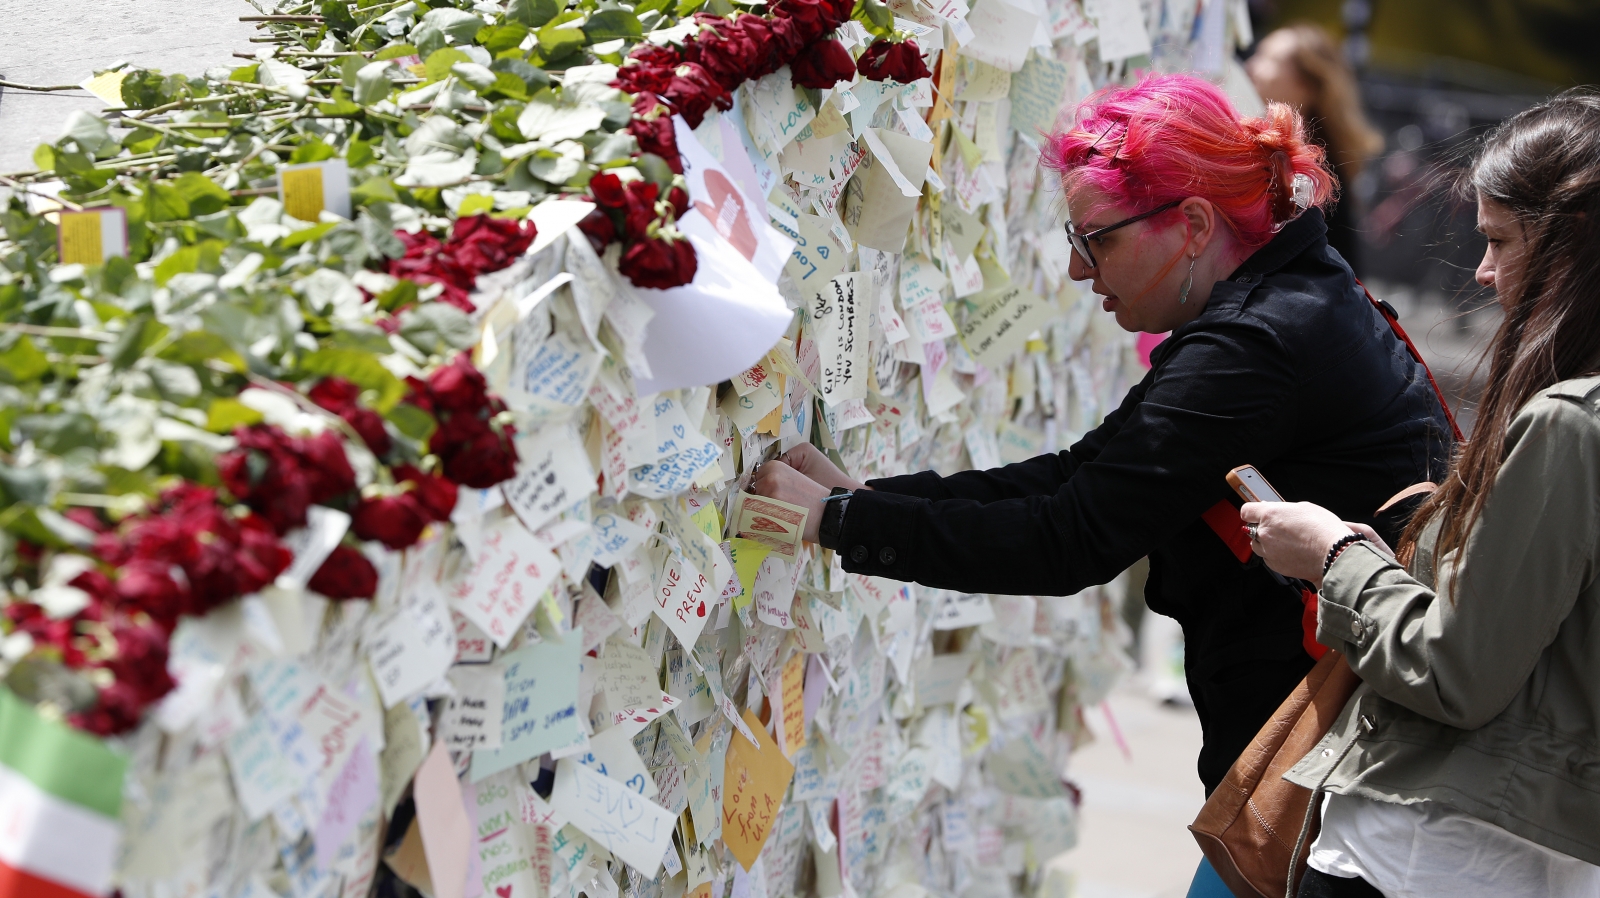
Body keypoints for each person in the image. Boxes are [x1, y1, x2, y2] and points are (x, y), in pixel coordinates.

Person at [749, 74, 1455, 895]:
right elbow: (1085, 472)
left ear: (1192, 224)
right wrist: (864, 504)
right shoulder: (1289, 293)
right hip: (1336, 761)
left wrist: (839, 524)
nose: (1081, 270)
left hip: (1333, 784)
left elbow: (1069, 537)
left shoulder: (1254, 347)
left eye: (1099, 240)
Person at [1243, 90, 1600, 898]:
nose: (1481, 271)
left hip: (1437, 853)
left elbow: (1457, 670)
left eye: (1499, 240)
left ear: (1573, 240)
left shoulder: (1571, 423)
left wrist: (1334, 558)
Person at [1247, 24, 1385, 276]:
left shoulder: (1312, 170)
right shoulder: (1279, 153)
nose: (1251, 66)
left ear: (1308, 83)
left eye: (1269, 58)